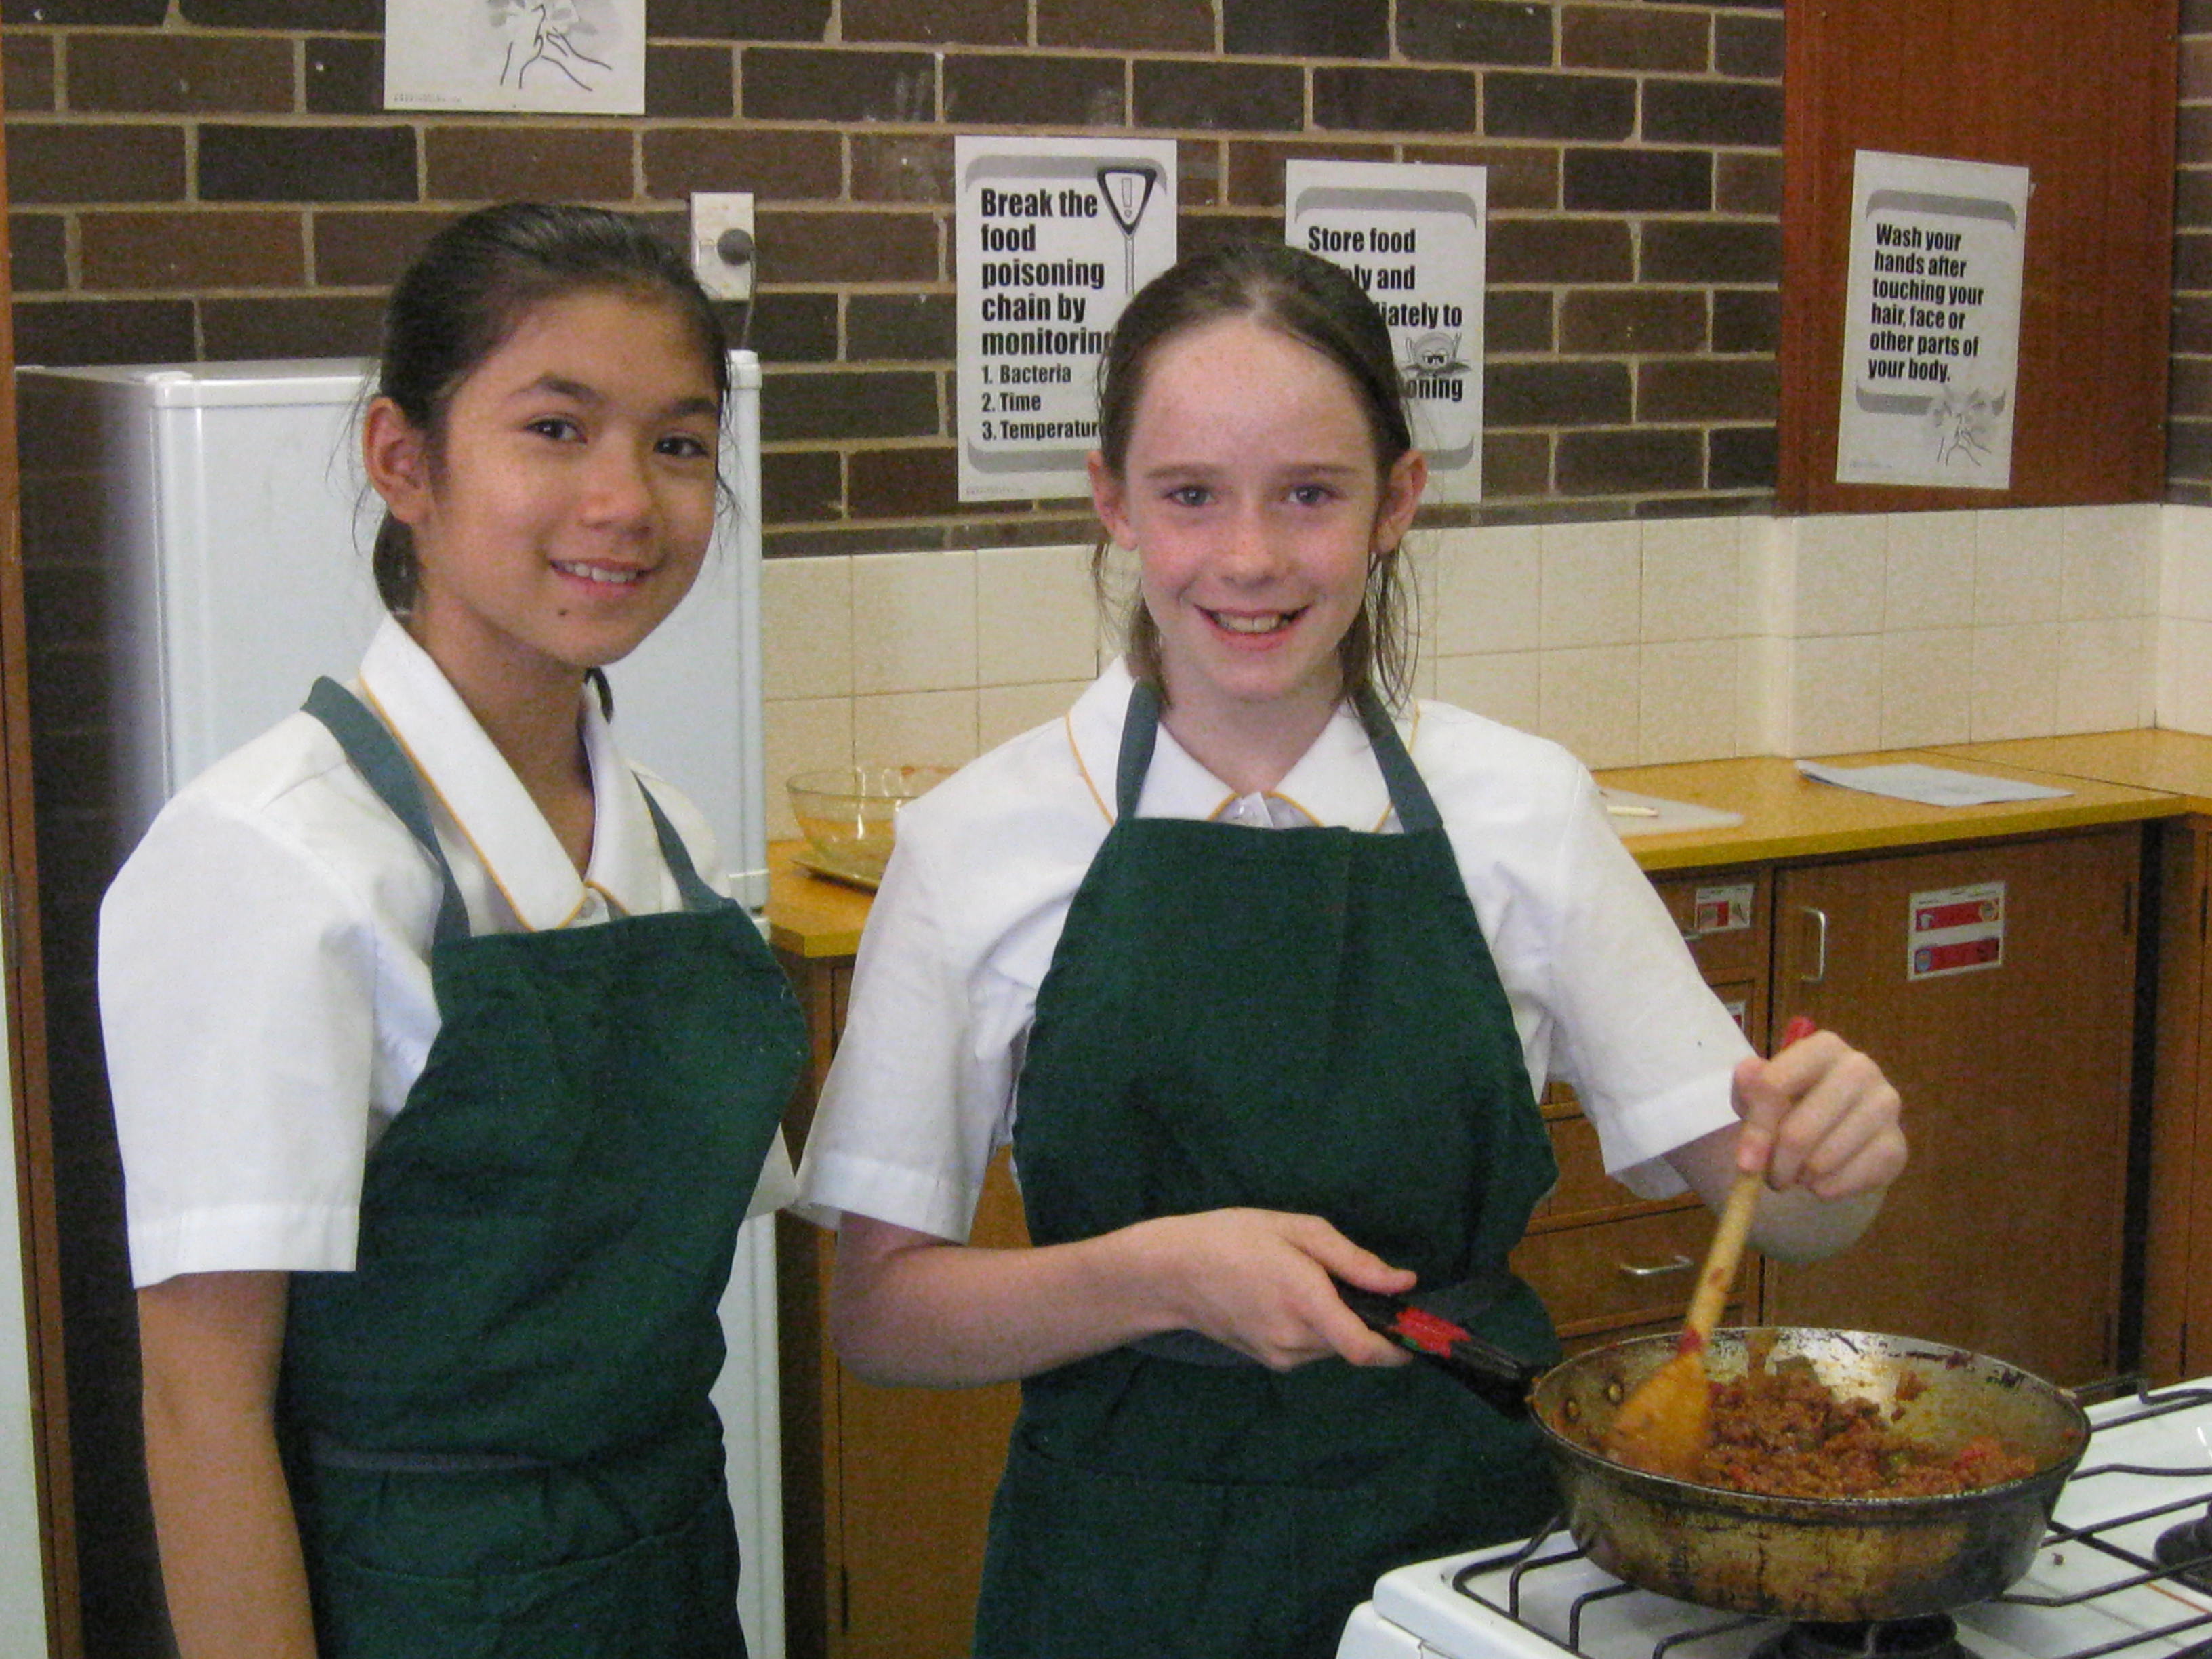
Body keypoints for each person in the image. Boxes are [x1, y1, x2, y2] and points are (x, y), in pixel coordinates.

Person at [793, 241, 1908, 1659]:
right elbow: (883, 1318)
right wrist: (1166, 1274)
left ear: (1395, 504)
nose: (1249, 559)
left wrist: (1831, 1161)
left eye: (1309, 495)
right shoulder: (979, 839)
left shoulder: (1523, 806)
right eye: (1191, 495)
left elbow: (1782, 1211)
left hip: (1466, 1547)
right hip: (1129, 1563)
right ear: (1112, 503)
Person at [104, 202, 805, 1658]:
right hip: (416, 1601)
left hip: (671, 1567)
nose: (627, 501)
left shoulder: (671, 845)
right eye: (556, 429)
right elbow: (201, 1406)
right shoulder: (271, 862)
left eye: (678, 445)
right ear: (403, 462)